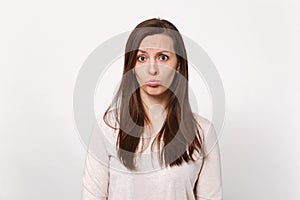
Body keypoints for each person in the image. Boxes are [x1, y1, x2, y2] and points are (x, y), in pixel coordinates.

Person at [81, 18, 223, 200]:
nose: (152, 69)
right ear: (132, 66)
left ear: (178, 65)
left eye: (163, 57)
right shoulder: (107, 127)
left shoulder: (202, 132)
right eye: (142, 58)